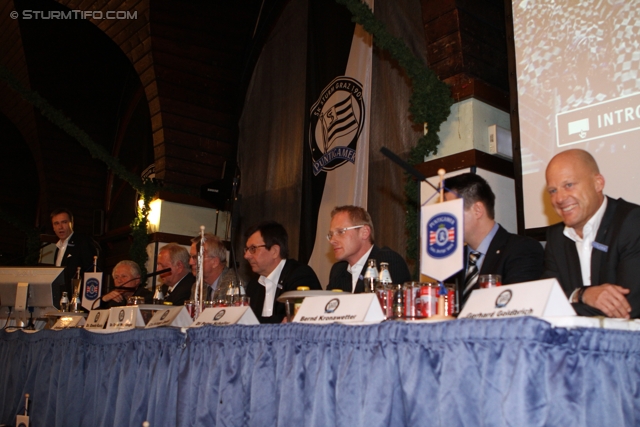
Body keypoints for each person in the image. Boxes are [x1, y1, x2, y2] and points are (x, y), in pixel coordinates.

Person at [543, 149, 640, 319]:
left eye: (569, 185)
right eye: (553, 190)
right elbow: (545, 299)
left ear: (598, 183)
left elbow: (628, 307)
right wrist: (583, 294)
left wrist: (568, 302)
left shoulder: (631, 222)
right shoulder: (556, 237)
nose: (559, 198)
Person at [444, 173, 544, 307]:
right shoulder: (451, 259)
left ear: (477, 210)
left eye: (450, 211)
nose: (445, 220)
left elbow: (516, 309)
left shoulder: (522, 250)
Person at [244, 221, 321, 323]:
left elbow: (297, 320)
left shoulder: (300, 275)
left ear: (274, 251)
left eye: (253, 249)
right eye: (247, 249)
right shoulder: (253, 285)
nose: (246, 256)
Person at [327, 205, 411, 293]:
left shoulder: (386, 262)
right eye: (331, 235)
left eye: (340, 232)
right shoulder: (338, 270)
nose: (332, 240)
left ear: (364, 232)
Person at [51, 208, 101, 298]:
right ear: (53, 227)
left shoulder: (82, 242)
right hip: (62, 298)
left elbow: (90, 271)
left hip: (78, 298)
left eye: (64, 222)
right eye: (56, 223)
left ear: (72, 224)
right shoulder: (58, 248)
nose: (60, 227)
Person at [188, 232, 237, 301]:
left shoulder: (234, 286)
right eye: (191, 257)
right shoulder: (197, 287)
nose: (190, 262)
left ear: (215, 262)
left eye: (196, 257)